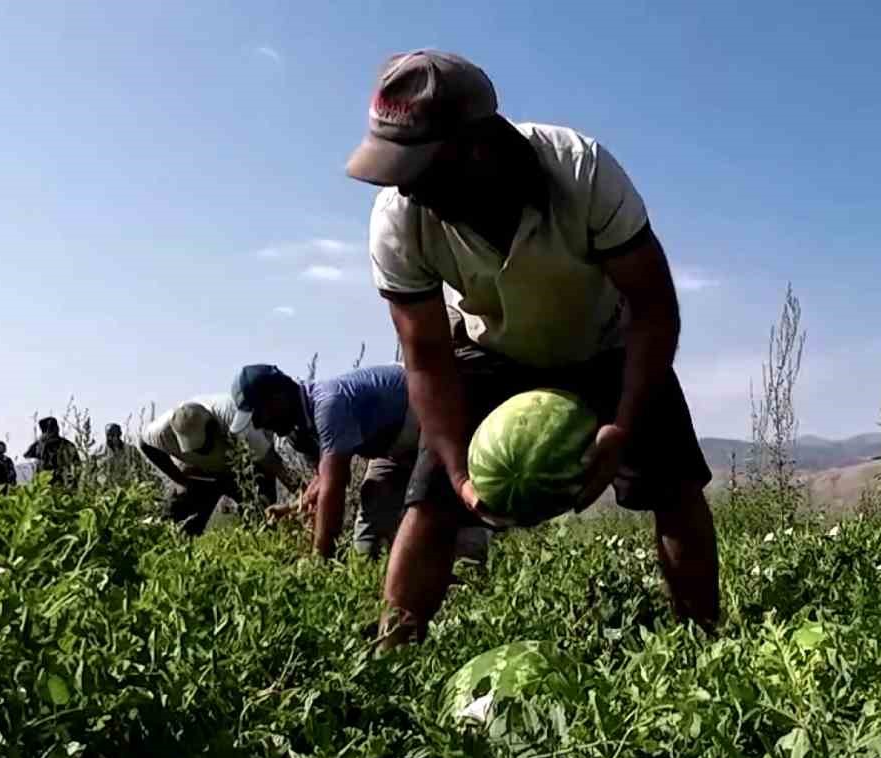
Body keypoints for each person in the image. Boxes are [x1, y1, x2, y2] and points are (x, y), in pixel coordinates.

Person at [344, 49, 721, 647]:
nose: (408, 190)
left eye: (420, 168)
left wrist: (622, 426)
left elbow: (654, 310)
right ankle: (390, 656)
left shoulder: (581, 170)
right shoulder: (399, 217)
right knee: (432, 499)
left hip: (608, 342)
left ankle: (709, 647)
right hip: (489, 349)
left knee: (674, 487)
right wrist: (460, 471)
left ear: (475, 145)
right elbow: (425, 356)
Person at [229, 362, 491, 561]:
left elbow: (334, 487)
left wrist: (320, 559)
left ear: (278, 397)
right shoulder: (302, 427)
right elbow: (322, 480)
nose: (261, 424)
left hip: (431, 419)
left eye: (260, 414)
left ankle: (471, 580)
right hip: (394, 448)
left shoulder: (329, 405)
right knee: (372, 508)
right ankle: (365, 580)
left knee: (449, 512)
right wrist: (292, 507)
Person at [138, 394, 302, 536]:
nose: (204, 451)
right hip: (202, 472)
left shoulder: (236, 420)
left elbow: (273, 462)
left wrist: (305, 496)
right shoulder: (161, 431)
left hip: (247, 467)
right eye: (198, 449)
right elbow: (145, 445)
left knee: (262, 517)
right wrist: (180, 479)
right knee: (172, 521)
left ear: (213, 428)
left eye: (206, 445)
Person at [24, 417, 80, 487]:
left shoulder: (66, 444)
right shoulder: (40, 444)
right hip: (45, 481)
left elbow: (77, 464)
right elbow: (27, 455)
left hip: (61, 480)